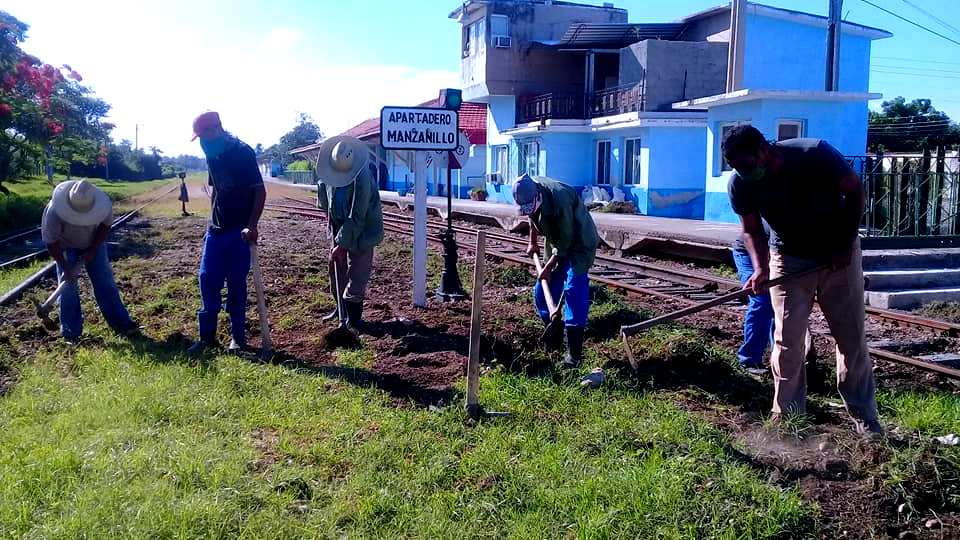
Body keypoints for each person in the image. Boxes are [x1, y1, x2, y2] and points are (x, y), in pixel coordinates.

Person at [723, 125, 881, 435]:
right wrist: (760, 268)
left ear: (764, 150)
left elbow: (854, 190)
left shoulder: (814, 154)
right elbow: (752, 229)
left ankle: (866, 418)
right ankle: (788, 419)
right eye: (736, 167)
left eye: (747, 164)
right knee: (787, 339)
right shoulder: (741, 185)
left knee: (850, 337)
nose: (743, 172)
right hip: (789, 255)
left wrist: (844, 243)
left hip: (838, 253)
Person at [188, 111, 266, 354]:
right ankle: (207, 337)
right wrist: (210, 224)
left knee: (235, 285)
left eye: (204, 135)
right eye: (199, 137)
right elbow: (217, 192)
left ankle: (238, 337)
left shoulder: (242, 153)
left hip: (238, 232)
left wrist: (251, 225)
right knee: (207, 280)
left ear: (217, 128)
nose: (202, 141)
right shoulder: (212, 154)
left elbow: (259, 191)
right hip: (216, 232)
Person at [513, 174, 598, 369]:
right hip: (556, 241)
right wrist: (532, 242)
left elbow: (566, 242)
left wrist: (548, 267)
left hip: (579, 242)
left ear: (537, 196)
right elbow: (532, 217)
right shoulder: (528, 192)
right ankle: (555, 330)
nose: (528, 210)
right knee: (542, 291)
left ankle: (574, 355)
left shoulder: (559, 198)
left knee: (574, 289)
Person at [41, 179, 137, 342]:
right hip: (66, 247)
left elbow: (105, 226)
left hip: (93, 243)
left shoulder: (103, 205)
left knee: (105, 282)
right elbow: (51, 242)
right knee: (68, 288)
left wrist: (93, 249)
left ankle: (122, 324)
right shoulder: (53, 211)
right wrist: (65, 268)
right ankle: (71, 334)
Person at [315, 136, 383, 331]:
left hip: (363, 231)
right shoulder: (325, 175)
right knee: (335, 271)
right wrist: (335, 239)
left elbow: (357, 217)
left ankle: (353, 322)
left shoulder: (363, 179)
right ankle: (340, 311)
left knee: (357, 276)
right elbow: (325, 205)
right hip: (339, 229)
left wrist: (343, 245)